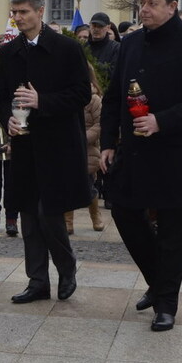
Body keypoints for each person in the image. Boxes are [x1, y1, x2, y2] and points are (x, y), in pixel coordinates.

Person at [100, 0, 182, 332]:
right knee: (123, 212)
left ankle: (166, 303)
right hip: (134, 151)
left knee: (171, 231)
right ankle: (158, 280)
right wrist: (108, 141)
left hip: (175, 153)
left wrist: (161, 121)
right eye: (142, 3)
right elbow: (113, 96)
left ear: (172, 6)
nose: (145, 9)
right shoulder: (132, 41)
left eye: (153, 3)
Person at [0, 0, 91, 304]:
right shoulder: (9, 53)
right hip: (23, 145)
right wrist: (7, 119)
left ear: (40, 11)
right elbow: (1, 98)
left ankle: (67, 268)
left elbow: (82, 94)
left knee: (48, 212)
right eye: (15, 12)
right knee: (28, 214)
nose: (18, 17)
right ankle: (37, 281)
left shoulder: (66, 48)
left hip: (58, 144)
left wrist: (42, 100)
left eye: (24, 11)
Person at [65, 63, 104, 235]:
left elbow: (99, 124)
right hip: (67, 149)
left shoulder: (94, 99)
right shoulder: (66, 95)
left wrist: (83, 137)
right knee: (67, 186)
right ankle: (68, 221)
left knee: (88, 186)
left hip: (87, 149)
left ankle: (95, 215)